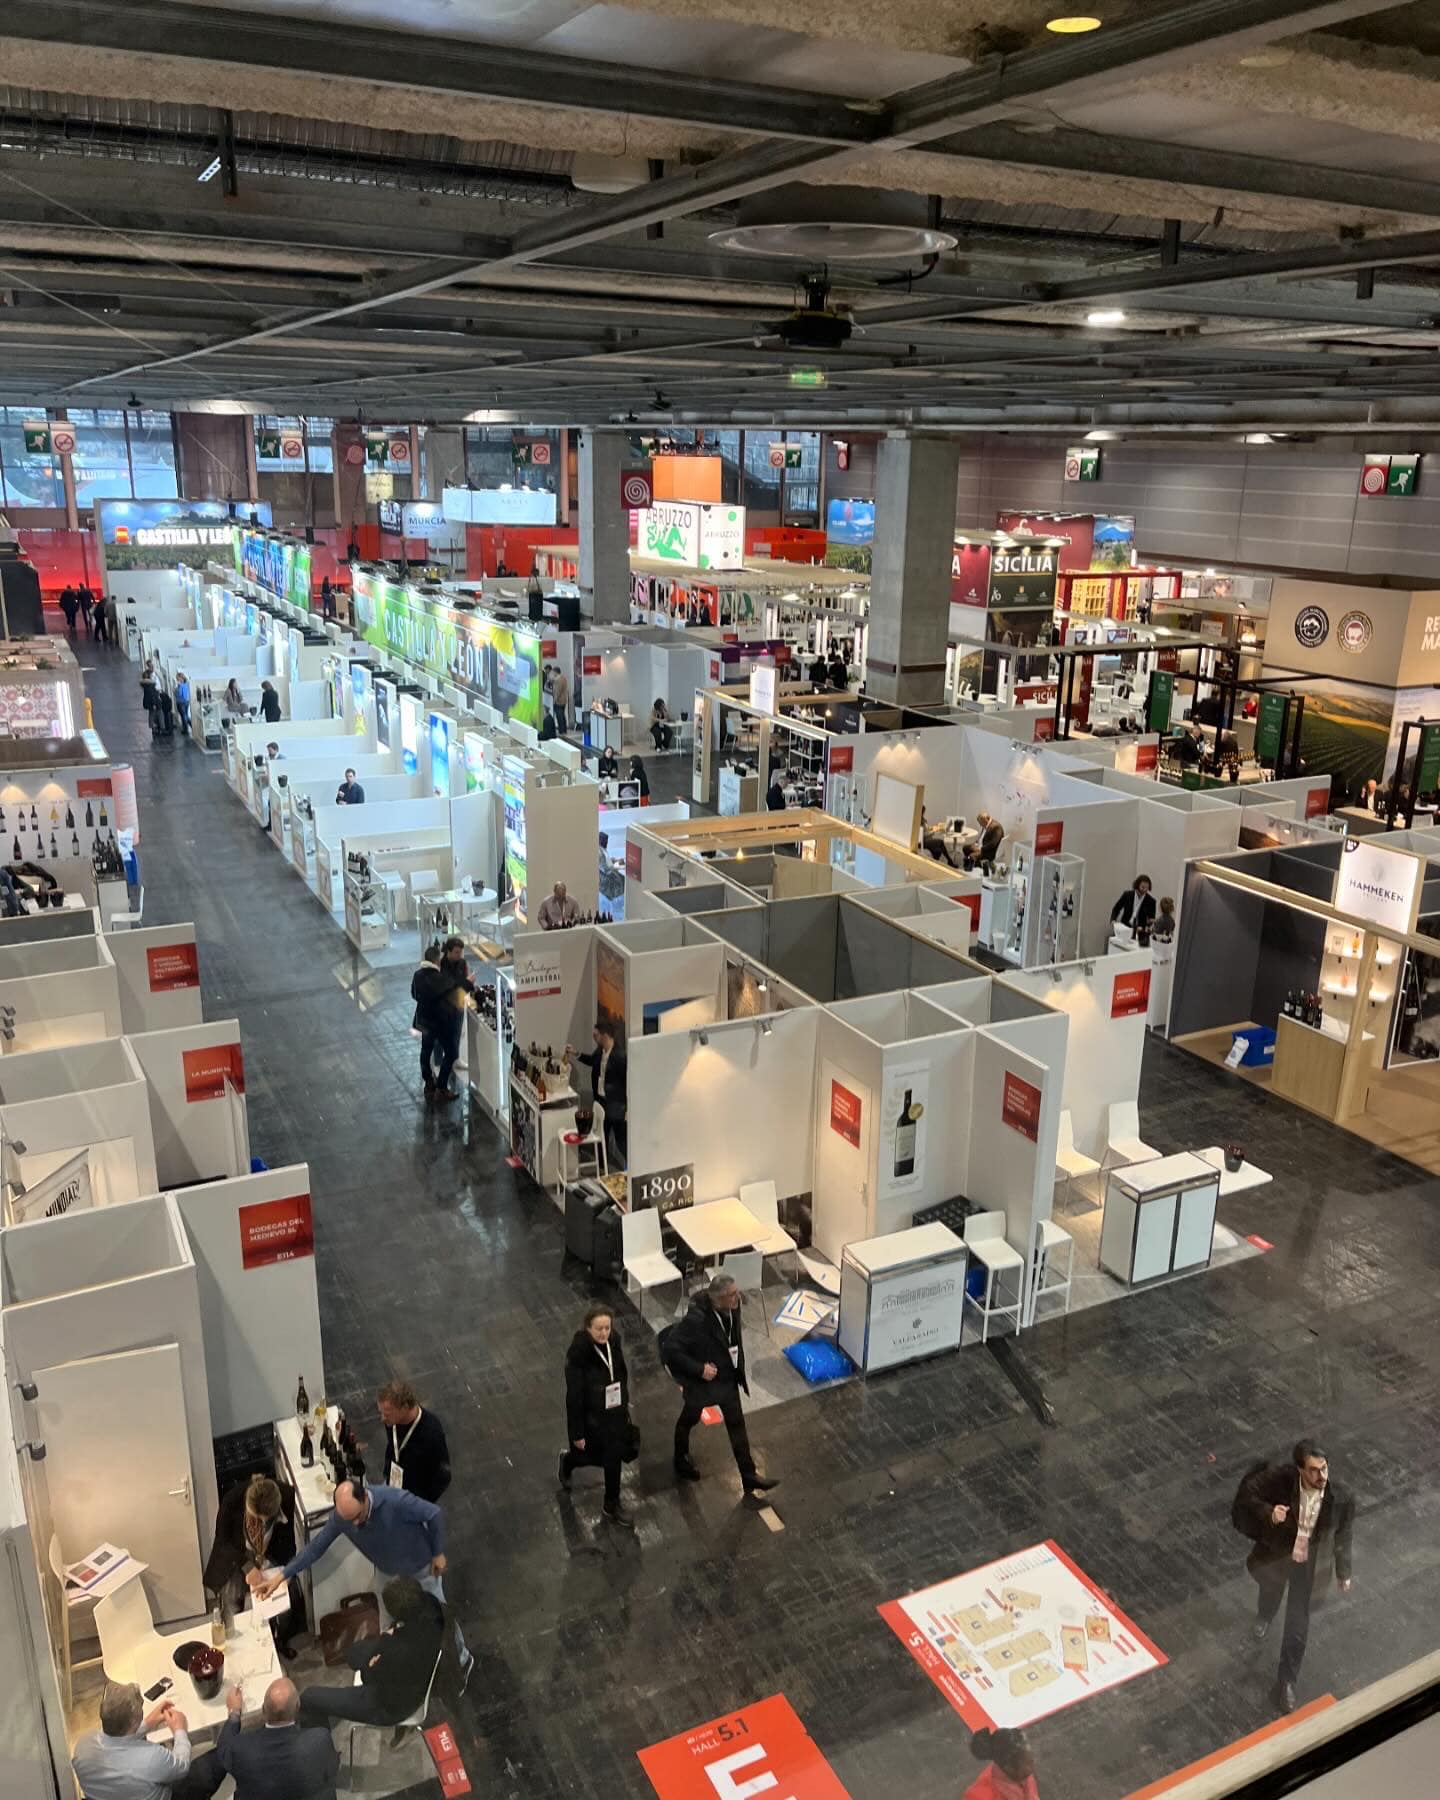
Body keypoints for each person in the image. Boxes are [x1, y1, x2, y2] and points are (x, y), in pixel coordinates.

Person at [253, 1477, 472, 1689]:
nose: (355, 1524)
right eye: (349, 1520)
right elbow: (316, 1547)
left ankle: (462, 1659)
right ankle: (399, 1668)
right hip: (388, 1573)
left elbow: (433, 1513)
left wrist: (438, 1553)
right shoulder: (343, 1517)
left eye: (358, 1516)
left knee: (440, 1616)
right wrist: (282, 1576)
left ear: (365, 1497)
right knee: (387, 1623)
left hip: (420, 1568)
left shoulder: (394, 1500)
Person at [1234, 1439, 1355, 1714]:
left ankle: (1286, 1681)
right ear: (1300, 1469)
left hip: (1308, 1566)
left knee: (1298, 1625)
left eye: (1324, 1468)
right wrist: (1269, 1513)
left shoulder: (1341, 1496)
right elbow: (1248, 1492)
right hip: (1279, 1554)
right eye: (1313, 1470)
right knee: (1270, 1590)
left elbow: (1343, 1534)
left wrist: (1343, 1571)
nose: (1321, 1476)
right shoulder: (1282, 1479)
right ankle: (1265, 1616)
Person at [664, 1273, 776, 1496]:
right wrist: (699, 1369)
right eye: (732, 1294)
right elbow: (671, 1348)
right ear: (718, 1299)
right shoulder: (697, 1319)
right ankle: (680, 1458)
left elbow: (733, 1337)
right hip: (703, 1382)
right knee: (689, 1419)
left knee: (737, 1426)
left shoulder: (733, 1307)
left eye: (736, 1292)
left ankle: (749, 1475)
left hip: (727, 1378)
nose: (738, 1297)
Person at [298, 1575, 445, 1733]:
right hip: (416, 1677)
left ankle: (318, 1741)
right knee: (354, 1652)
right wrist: (391, 1636)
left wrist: (372, 1662)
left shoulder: (394, 1648)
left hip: (388, 1706)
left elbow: (367, 1677)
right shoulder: (431, 1604)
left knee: (308, 1697)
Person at [202, 1475, 302, 1660]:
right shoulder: (232, 1500)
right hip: (237, 1555)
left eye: (267, 1520)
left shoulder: (287, 1494)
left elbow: (288, 1538)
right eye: (257, 1519)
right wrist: (247, 1567)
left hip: (270, 1551)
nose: (262, 1524)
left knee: (282, 1600)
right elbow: (223, 1541)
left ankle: (278, 1640)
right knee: (232, 1601)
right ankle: (233, 1648)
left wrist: (287, 1570)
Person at [558, 1305, 635, 1524]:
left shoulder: (614, 1342)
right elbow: (574, 1396)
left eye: (607, 1328)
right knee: (588, 1456)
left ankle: (611, 1504)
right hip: (591, 1417)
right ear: (588, 1328)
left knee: (613, 1457)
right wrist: (577, 1433)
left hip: (613, 1414)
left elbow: (620, 1373)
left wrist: (623, 1403)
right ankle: (568, 1461)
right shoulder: (578, 1354)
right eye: (599, 1329)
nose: (604, 1333)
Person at [211, 1678, 337, 1800]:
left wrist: (234, 1712)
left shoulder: (241, 1749)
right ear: (297, 1707)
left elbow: (223, 1749)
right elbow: (331, 1768)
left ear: (263, 1710)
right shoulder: (319, 1739)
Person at [72, 1679, 196, 1799]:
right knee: (202, 1766)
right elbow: (181, 1767)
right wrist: (180, 1730)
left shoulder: (82, 1746)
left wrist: (147, 1723)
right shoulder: (151, 1757)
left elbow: (116, 1740)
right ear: (134, 1721)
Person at [378, 1379, 452, 1503]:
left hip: (414, 1497)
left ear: (405, 1408)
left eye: (387, 1414)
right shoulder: (392, 1421)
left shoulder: (432, 1433)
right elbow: (393, 1445)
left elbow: (443, 1476)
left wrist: (419, 1504)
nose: (382, 1419)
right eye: (381, 1413)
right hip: (393, 1482)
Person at [569, 1020, 626, 1167]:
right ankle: (602, 1167)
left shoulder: (619, 1057)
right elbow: (591, 1061)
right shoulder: (600, 1051)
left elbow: (627, 1082)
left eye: (596, 1036)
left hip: (616, 1107)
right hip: (601, 1101)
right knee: (601, 1136)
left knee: (621, 1140)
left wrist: (626, 1108)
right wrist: (576, 1053)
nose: (594, 1038)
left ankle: (629, 1168)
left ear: (604, 1035)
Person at [428, 937, 475, 1100]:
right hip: (444, 1009)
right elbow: (450, 987)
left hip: (458, 1006)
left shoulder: (462, 964)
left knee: (457, 1032)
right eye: (456, 952)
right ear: (448, 951)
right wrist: (466, 983)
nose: (459, 955)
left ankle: (455, 1059)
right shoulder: (441, 966)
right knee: (441, 1038)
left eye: (460, 952)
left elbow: (461, 985)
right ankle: (438, 1063)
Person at [965, 1727, 1039, 1800]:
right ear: (1009, 1768)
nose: (1034, 1762)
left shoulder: (1023, 1774)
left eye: (1031, 1758)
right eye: (1027, 1763)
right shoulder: (978, 1796)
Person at [411, 942, 445, 1099]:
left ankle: (428, 1081)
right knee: (441, 1047)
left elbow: (414, 994)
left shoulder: (417, 975)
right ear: (436, 960)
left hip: (423, 1019)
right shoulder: (439, 977)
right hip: (437, 1021)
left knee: (425, 1050)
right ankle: (440, 1080)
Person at [550, 665, 570, 736]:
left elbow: (558, 691)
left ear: (556, 672)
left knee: (559, 716)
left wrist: (554, 700)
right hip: (563, 700)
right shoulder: (563, 678)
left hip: (559, 701)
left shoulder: (559, 680)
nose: (552, 674)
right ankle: (564, 730)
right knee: (562, 715)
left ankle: (561, 731)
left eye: (553, 672)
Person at [174, 671, 192, 736]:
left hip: (180, 702)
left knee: (183, 716)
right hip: (186, 701)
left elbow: (179, 694)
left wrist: (175, 691)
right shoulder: (186, 684)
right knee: (185, 715)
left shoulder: (180, 685)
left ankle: (186, 729)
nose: (177, 680)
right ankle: (191, 725)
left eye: (177, 679)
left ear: (180, 678)